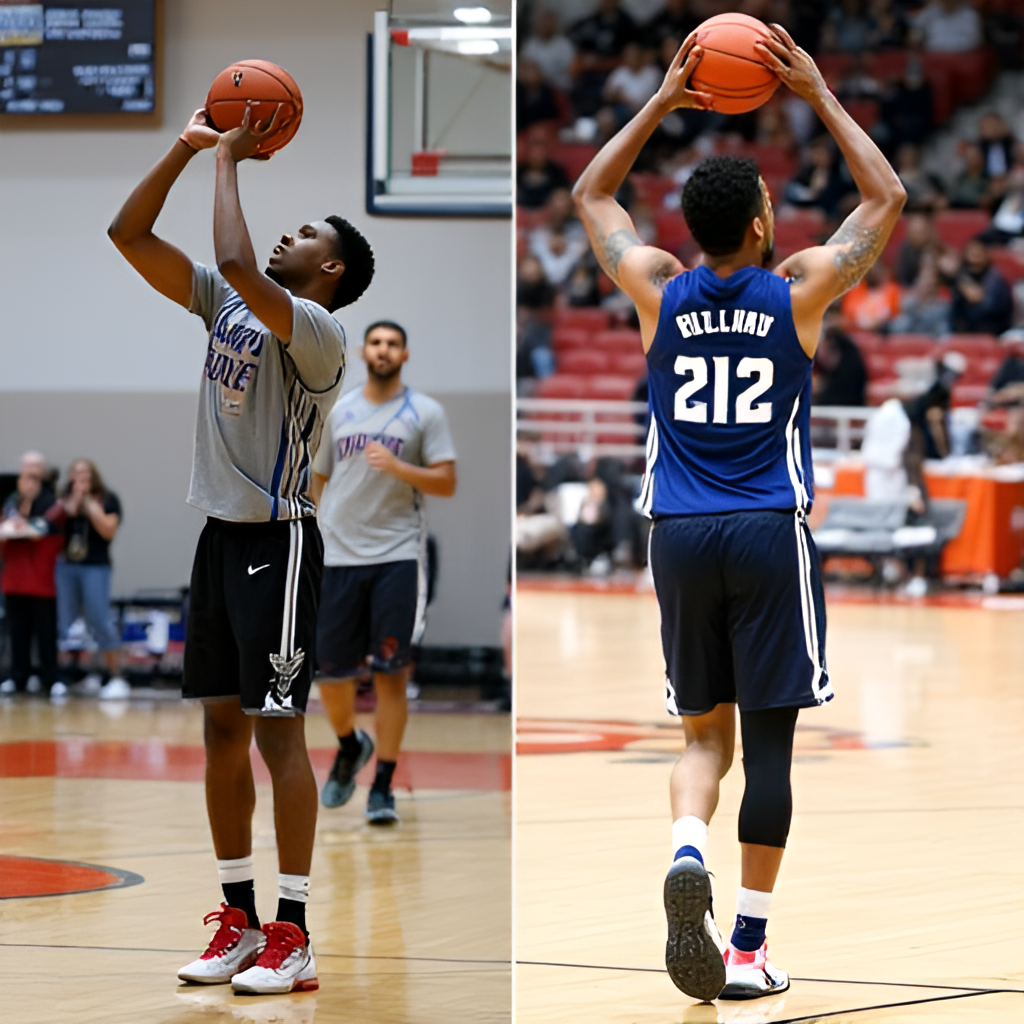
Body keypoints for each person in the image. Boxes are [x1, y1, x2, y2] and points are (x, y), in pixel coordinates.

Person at [571, 27, 905, 1001]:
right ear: (763, 224)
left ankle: (686, 853)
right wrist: (816, 91)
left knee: (699, 740)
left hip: (675, 533)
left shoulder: (657, 289)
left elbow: (592, 195)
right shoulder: (798, 289)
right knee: (770, 746)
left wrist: (663, 103)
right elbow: (884, 198)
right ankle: (750, 947)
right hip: (767, 529)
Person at [108, 103, 373, 994]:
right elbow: (127, 231)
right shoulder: (227, 305)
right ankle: (238, 919)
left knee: (277, 735)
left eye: (304, 234)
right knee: (221, 729)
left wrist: (228, 157)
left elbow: (228, 256)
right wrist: (186, 148)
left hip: (282, 543)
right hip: (218, 540)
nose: (286, 236)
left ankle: (292, 934)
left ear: (326, 269)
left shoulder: (321, 333)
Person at [311, 320, 456, 824]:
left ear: (405, 354)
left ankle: (384, 787)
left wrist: (399, 468)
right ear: (362, 351)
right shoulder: (340, 411)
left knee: (391, 674)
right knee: (330, 676)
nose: (383, 350)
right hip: (336, 555)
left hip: (396, 556)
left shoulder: (425, 412)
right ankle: (350, 745)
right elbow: (319, 479)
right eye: (376, 342)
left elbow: (445, 482)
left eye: (392, 344)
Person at [55, 458, 128, 699]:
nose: (80, 478)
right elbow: (57, 523)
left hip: (95, 567)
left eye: (85, 474)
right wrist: (75, 499)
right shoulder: (64, 499)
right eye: (76, 474)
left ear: (93, 476)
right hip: (67, 566)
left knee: (99, 620)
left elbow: (107, 530)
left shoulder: (108, 499)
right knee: (65, 623)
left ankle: (116, 677)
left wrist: (88, 502)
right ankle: (66, 676)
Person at [0, 452, 64, 697]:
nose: (29, 480)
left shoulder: (53, 505)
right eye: (25, 475)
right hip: (14, 581)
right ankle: (18, 678)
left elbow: (39, 530)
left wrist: (19, 529)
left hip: (41, 581)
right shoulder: (10, 504)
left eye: (35, 475)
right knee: (17, 634)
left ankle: (51, 679)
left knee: (46, 633)